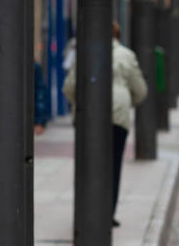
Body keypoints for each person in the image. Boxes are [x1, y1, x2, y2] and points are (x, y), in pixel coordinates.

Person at [62, 21, 148, 227]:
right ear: (117, 35)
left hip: (87, 117)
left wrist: (80, 105)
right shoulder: (126, 55)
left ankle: (86, 211)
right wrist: (127, 102)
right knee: (113, 165)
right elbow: (141, 91)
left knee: (87, 163)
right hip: (117, 116)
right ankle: (107, 213)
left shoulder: (83, 52)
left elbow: (69, 87)